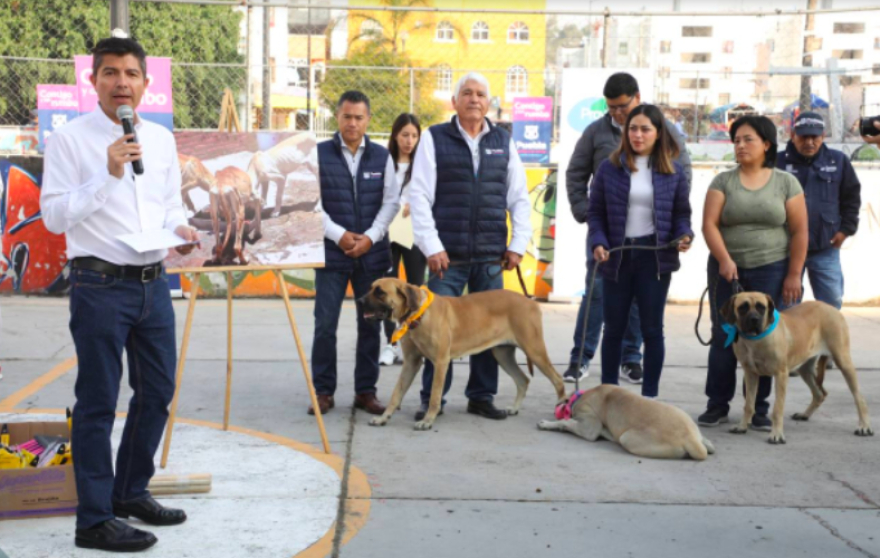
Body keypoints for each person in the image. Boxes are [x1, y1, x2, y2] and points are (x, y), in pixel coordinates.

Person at [40, 37, 198, 552]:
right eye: (110, 73)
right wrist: (106, 175)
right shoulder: (71, 141)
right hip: (99, 285)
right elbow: (55, 217)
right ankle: (93, 519)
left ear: (146, 84)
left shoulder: (160, 138)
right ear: (93, 81)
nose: (121, 83)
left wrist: (184, 231)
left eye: (131, 73)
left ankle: (130, 491)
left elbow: (169, 208)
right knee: (98, 403)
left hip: (154, 285)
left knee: (157, 394)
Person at [409, 72, 532, 421]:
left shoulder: (503, 141)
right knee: (435, 333)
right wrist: (432, 246)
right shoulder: (434, 139)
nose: (474, 99)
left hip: (491, 257)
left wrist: (518, 244)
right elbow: (418, 196)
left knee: (488, 334)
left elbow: (519, 198)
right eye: (466, 93)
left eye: (480, 94)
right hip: (446, 258)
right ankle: (433, 401)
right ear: (455, 102)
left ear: (489, 103)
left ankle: (481, 396)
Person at [565, 72, 692, 384]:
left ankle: (632, 360)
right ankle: (580, 357)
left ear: (637, 97)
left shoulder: (665, 132)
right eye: (611, 109)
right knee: (595, 294)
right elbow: (576, 173)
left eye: (622, 107)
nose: (618, 115)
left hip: (652, 244)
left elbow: (681, 180)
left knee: (643, 307)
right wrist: (587, 216)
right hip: (608, 236)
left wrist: (678, 229)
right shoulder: (597, 134)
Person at [698, 115, 808, 429]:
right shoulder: (723, 181)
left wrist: (794, 274)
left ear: (767, 144)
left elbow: (800, 231)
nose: (740, 146)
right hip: (726, 268)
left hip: (772, 267)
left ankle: (758, 408)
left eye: (748, 139)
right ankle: (717, 405)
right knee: (725, 334)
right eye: (736, 140)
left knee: (765, 336)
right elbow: (709, 224)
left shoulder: (787, 183)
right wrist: (724, 259)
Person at [309, 90, 400, 416]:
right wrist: (338, 235)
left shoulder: (381, 156)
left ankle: (366, 392)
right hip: (331, 256)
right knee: (325, 326)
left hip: (371, 257)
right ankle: (323, 391)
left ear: (368, 120)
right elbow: (311, 203)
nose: (352, 123)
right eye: (347, 116)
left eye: (359, 117)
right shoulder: (317, 154)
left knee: (370, 326)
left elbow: (391, 202)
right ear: (337, 117)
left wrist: (370, 238)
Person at [776, 112, 860, 309]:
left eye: (815, 137)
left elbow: (851, 198)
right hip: (785, 249)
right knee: (787, 307)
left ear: (823, 136)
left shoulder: (838, 161)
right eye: (804, 136)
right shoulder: (777, 163)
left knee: (831, 304)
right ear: (793, 134)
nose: (810, 142)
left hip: (825, 247)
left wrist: (846, 230)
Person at [379, 113, 427, 366]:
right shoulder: (384, 162)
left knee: (415, 288)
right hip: (388, 232)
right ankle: (391, 344)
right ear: (395, 135)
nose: (409, 141)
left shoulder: (423, 164)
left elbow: (431, 194)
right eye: (404, 135)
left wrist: (414, 204)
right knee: (388, 290)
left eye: (414, 136)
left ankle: (416, 341)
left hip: (413, 232)